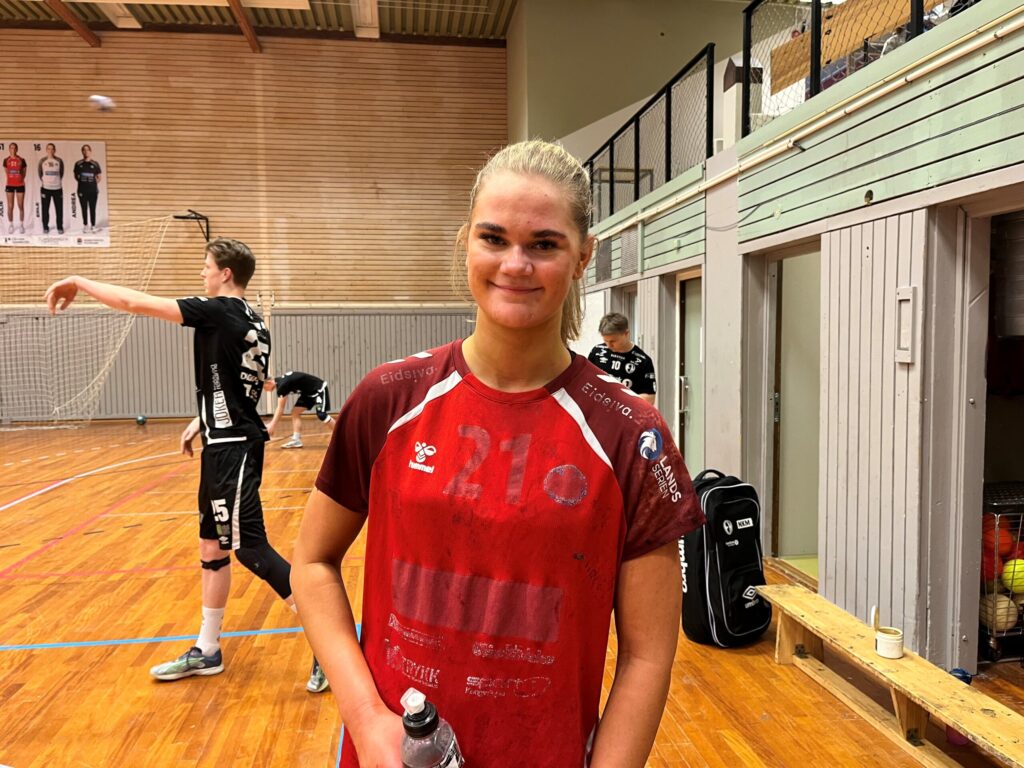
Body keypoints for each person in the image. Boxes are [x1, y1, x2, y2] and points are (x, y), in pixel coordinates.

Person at [291, 140, 703, 767]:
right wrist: (367, 720)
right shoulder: (388, 399)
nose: (515, 264)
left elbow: (647, 656)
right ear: (467, 242)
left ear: (582, 257)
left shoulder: (630, 436)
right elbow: (313, 562)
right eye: (493, 238)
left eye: (544, 243)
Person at [44, 237, 328, 694]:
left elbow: (135, 303)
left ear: (225, 274)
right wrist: (202, 421)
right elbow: (239, 387)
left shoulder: (219, 311)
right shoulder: (253, 320)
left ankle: (330, 645)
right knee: (211, 549)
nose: (201, 273)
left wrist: (79, 280)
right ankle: (207, 650)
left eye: (206, 266)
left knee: (251, 550)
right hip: (223, 443)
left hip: (234, 449)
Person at [587, 312, 657, 405]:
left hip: (625, 411)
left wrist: (618, 400)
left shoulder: (643, 361)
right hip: (597, 408)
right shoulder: (597, 352)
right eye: (606, 341)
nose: (609, 345)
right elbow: (586, 381)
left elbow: (649, 399)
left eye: (613, 341)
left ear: (626, 333)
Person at [264, 370, 335, 449]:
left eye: (264, 387)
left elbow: (280, 408)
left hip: (319, 389)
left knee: (321, 415)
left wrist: (272, 426)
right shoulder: (281, 382)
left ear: (269, 382)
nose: (264, 390)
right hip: (308, 393)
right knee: (295, 412)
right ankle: (296, 440)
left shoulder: (282, 385)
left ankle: (339, 436)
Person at [73, 144, 102, 234]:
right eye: (84, 150)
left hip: (93, 191)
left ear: (90, 151)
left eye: (87, 150)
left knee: (92, 208)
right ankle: (85, 226)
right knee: (84, 208)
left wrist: (92, 184)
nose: (86, 152)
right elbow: (76, 176)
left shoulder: (95, 164)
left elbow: (99, 177)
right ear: (82, 152)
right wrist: (83, 183)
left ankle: (93, 226)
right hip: (82, 190)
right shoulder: (78, 164)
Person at [38, 143, 65, 235]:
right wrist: (46, 182)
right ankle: (45, 226)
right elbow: (40, 174)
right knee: (45, 209)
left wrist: (55, 181)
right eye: (49, 149)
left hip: (57, 188)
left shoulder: (59, 161)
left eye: (52, 149)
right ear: (46, 150)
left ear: (54, 150)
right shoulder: (42, 161)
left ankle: (60, 226)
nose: (50, 150)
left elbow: (61, 173)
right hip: (46, 188)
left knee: (59, 209)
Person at [4, 143, 27, 235]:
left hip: (20, 185)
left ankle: (21, 225)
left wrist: (19, 179)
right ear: (9, 149)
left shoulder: (21, 160)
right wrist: (12, 178)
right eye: (11, 148)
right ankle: (11, 224)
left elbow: (24, 173)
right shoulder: (6, 160)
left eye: (14, 148)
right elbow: (7, 172)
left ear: (17, 149)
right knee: (10, 206)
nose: (12, 149)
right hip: (10, 185)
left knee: (20, 205)